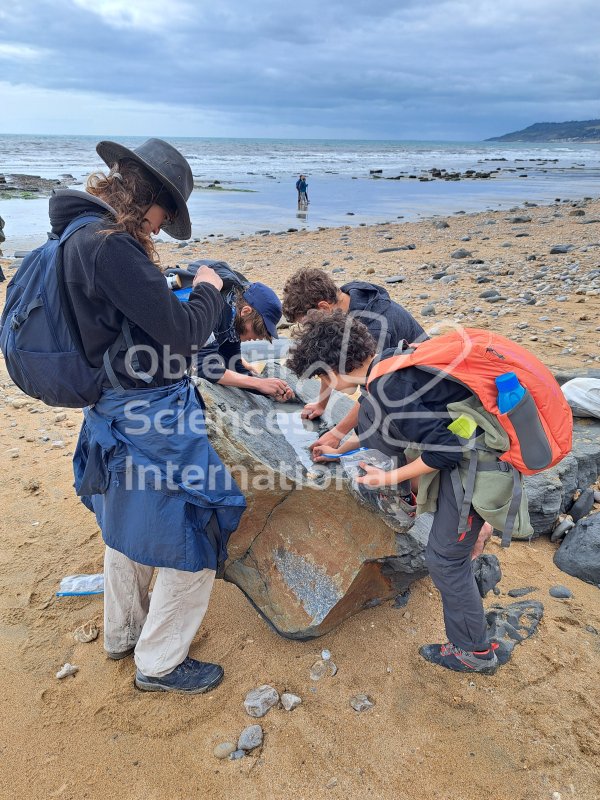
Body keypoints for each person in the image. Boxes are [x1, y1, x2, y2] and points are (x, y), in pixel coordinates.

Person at [56, 137, 246, 693]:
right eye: (165, 213)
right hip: (152, 413)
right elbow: (185, 335)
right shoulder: (113, 246)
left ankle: (123, 634)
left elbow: (125, 319)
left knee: (126, 520)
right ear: (147, 196)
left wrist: (165, 292)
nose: (162, 228)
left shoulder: (77, 236)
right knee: (196, 525)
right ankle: (160, 662)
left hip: (110, 406)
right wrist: (209, 291)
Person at [287, 310, 533, 675]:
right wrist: (343, 446)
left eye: (321, 376)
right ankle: (471, 612)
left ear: (333, 369)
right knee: (446, 554)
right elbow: (401, 426)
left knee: (445, 559)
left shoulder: (387, 388)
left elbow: (444, 453)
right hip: (470, 454)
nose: (323, 384)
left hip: (477, 471)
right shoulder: (389, 365)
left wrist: (387, 479)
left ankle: (473, 652)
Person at [282, 267, 426, 459]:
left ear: (323, 307)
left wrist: (337, 434)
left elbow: (374, 392)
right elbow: (327, 357)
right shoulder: (348, 297)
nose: (308, 328)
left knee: (369, 425)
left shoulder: (375, 328)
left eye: (308, 322)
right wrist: (321, 404)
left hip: (418, 389)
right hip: (391, 379)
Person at [192, 264, 294, 401]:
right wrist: (259, 383)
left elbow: (235, 368)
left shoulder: (232, 324)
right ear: (246, 311)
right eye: (259, 330)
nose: (257, 337)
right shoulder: (213, 310)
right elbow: (205, 369)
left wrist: (269, 390)